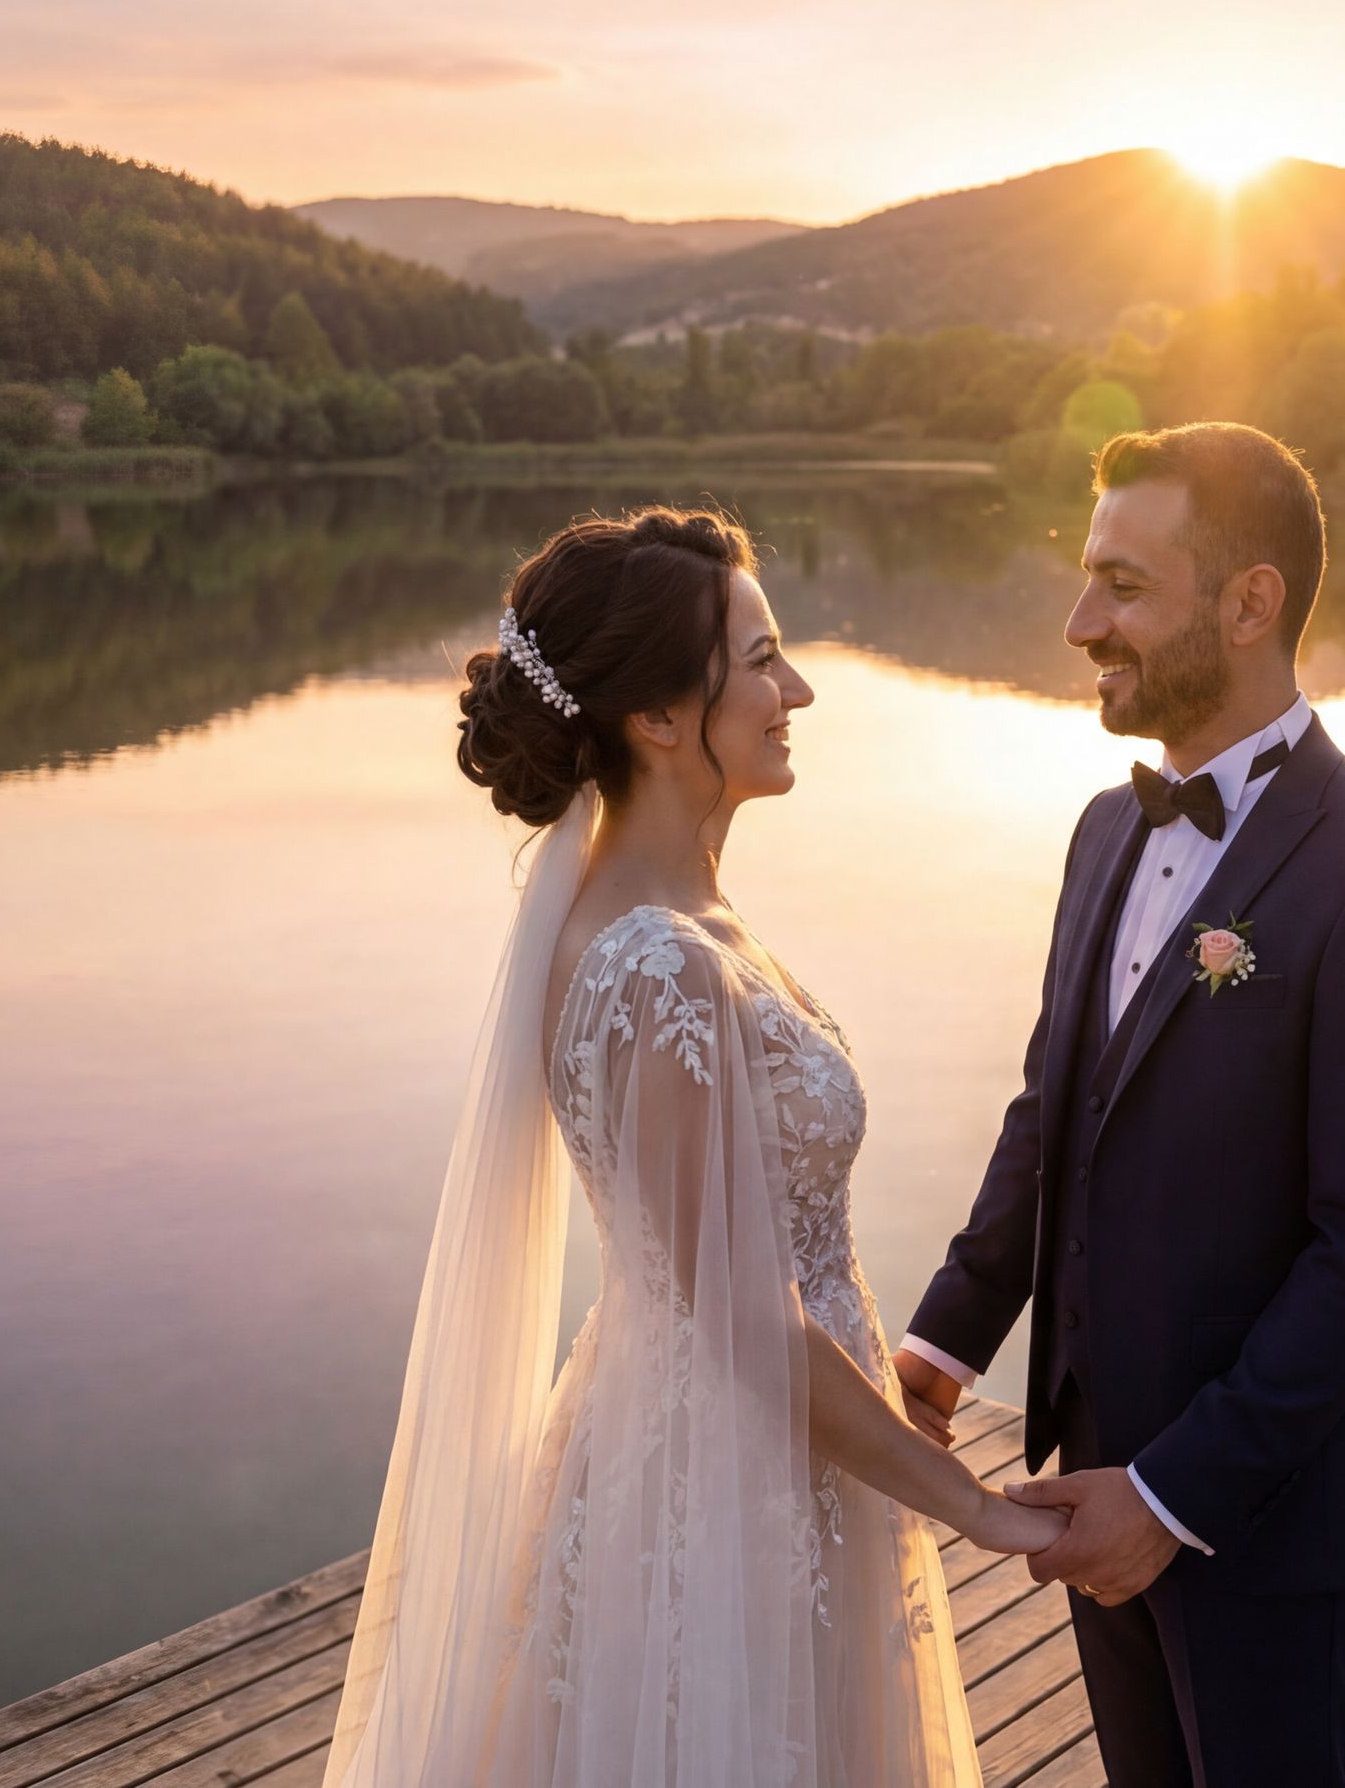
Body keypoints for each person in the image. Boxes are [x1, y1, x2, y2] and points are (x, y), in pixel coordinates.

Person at [323, 507, 1061, 1788]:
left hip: (782, 1450)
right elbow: (742, 1323)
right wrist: (980, 1511)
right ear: (659, 719)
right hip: (719, 1495)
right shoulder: (654, 960)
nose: (800, 690)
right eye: (763, 660)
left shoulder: (682, 914)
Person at [896, 424, 1345, 1788]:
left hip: (1259, 1519)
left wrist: (1170, 1500)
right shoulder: (1109, 827)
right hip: (1094, 1476)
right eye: (1086, 578)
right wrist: (946, 1338)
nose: (1078, 620)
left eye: (1122, 584)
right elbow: (1057, 1110)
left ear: (1250, 603)